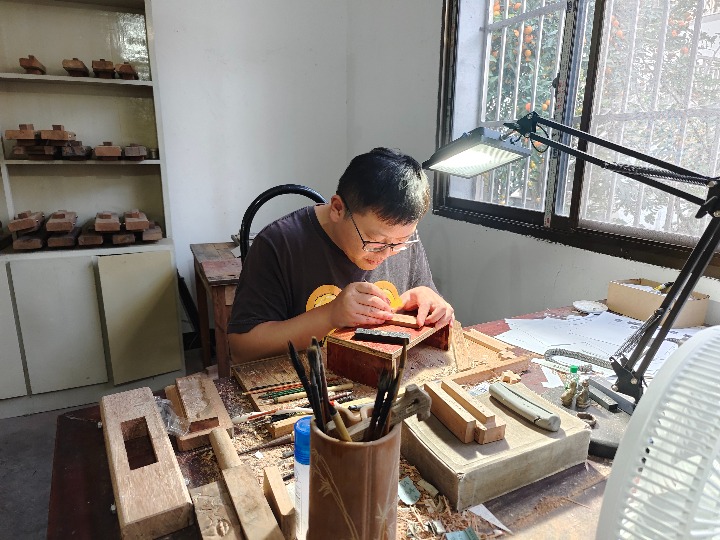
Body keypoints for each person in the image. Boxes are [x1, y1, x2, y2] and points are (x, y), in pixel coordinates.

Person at [227, 147, 454, 363]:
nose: (387, 253)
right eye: (375, 241)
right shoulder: (279, 244)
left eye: (401, 242)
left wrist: (429, 304)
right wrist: (329, 316)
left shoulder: (397, 238)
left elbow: (419, 309)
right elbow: (241, 349)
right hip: (306, 383)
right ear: (337, 209)